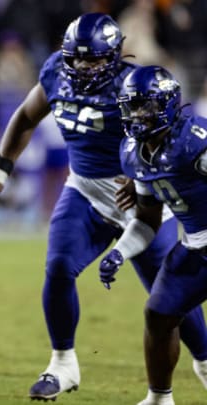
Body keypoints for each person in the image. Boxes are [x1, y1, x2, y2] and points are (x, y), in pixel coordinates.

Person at [0, 13, 207, 401]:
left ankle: (202, 359)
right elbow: (26, 116)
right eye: (77, 58)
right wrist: (0, 168)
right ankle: (62, 364)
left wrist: (145, 179)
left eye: (94, 59)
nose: (84, 67)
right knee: (58, 267)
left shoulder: (132, 88)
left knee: (170, 304)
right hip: (85, 191)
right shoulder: (55, 73)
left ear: (115, 55)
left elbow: (161, 137)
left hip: (142, 199)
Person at [98, 65, 207, 405]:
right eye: (133, 107)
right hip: (194, 248)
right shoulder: (133, 154)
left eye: (146, 106)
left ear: (169, 105)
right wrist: (121, 252)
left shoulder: (195, 142)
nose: (138, 115)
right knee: (158, 314)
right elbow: (148, 218)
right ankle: (160, 398)